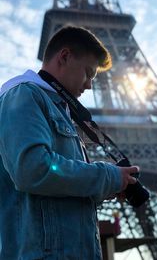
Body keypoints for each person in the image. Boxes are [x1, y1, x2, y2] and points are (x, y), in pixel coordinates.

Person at [0, 26, 139, 260]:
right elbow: (33, 169)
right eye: (88, 73)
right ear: (64, 57)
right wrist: (107, 176)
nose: (89, 85)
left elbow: (55, 189)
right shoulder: (23, 95)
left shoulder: (57, 108)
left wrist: (107, 187)